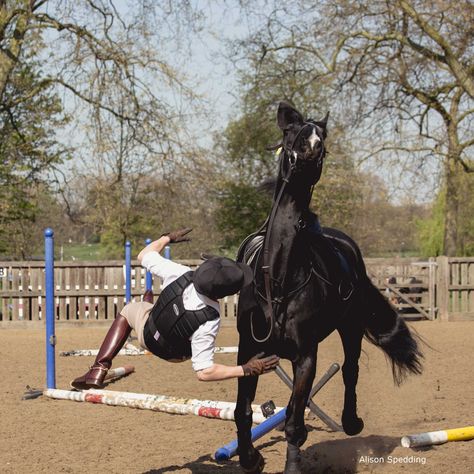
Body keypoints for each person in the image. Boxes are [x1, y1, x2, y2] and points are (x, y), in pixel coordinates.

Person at [71, 228, 279, 390]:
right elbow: (204, 371)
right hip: (175, 354)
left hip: (149, 333)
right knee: (173, 321)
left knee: (130, 310)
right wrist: (245, 370)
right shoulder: (211, 317)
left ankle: (99, 368)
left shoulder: (181, 273)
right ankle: (151, 309)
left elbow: (144, 255)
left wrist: (166, 238)